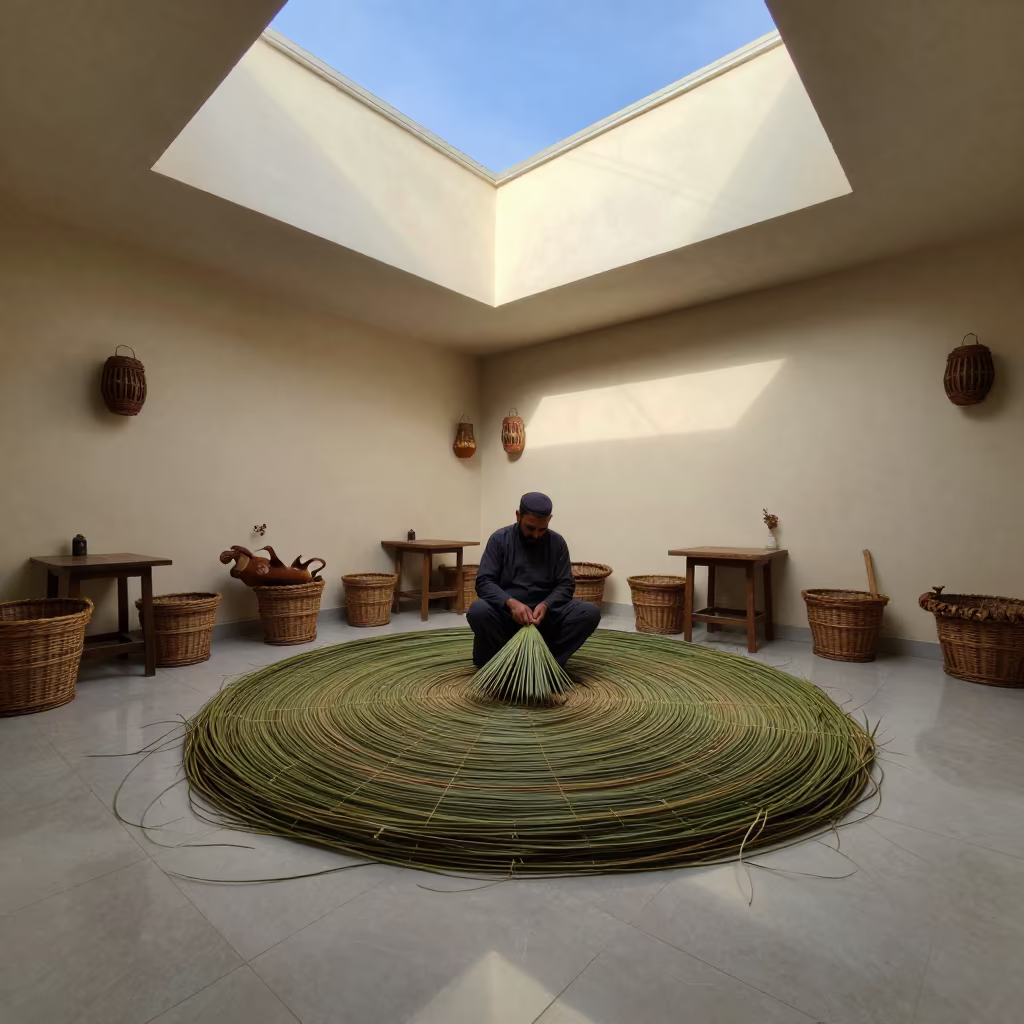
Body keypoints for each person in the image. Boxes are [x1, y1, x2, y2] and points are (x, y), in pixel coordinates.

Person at [468, 492, 600, 668]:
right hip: (507, 617)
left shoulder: (557, 543)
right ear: (518, 515)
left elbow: (566, 585)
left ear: (549, 519)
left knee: (589, 612)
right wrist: (511, 603)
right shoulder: (499, 539)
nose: (537, 535)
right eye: (530, 528)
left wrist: (546, 605)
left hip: (544, 619)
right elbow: (484, 582)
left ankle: (546, 663)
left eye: (542, 529)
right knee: (478, 611)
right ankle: (502, 662)